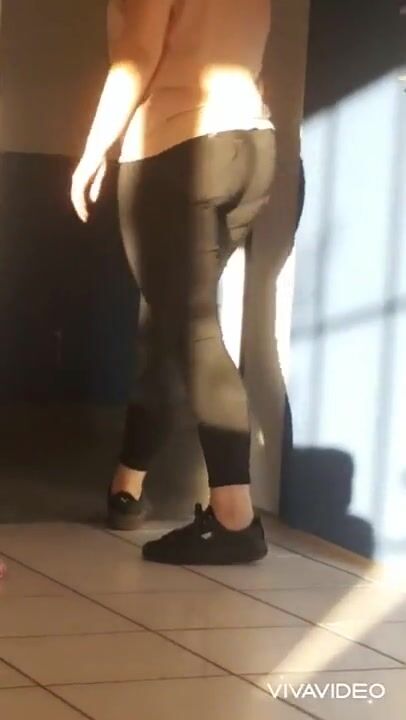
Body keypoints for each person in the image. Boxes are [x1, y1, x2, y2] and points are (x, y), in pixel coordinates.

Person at [71, 0, 276, 565]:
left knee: (191, 330)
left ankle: (234, 518)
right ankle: (127, 484)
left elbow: (136, 55)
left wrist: (94, 149)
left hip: (178, 146)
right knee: (169, 323)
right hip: (251, 145)